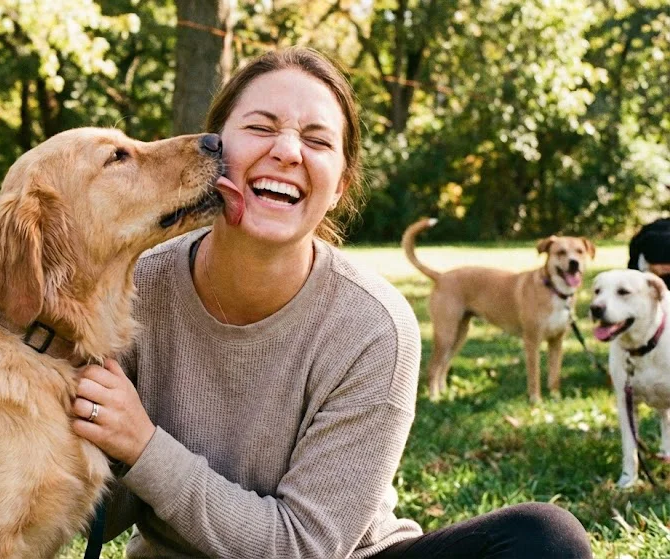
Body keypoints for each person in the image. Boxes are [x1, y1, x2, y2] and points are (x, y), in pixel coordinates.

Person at [70, 47, 592, 558]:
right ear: (213, 149)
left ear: (340, 185)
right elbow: (95, 513)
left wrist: (144, 446)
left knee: (544, 539)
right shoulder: (133, 287)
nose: (288, 151)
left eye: (317, 140)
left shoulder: (374, 326)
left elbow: (306, 546)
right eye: (260, 127)